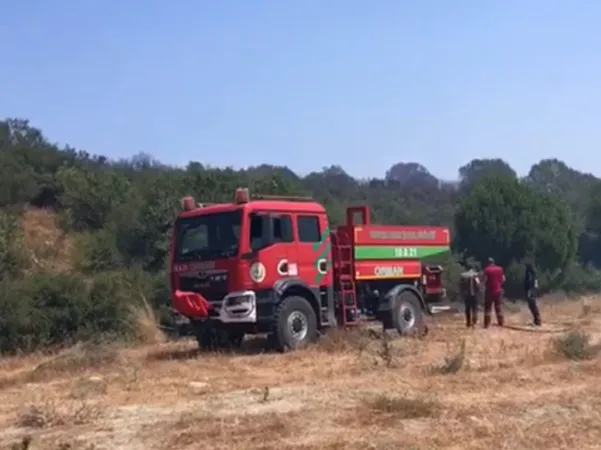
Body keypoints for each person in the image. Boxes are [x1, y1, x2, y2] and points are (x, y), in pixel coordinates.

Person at [482, 257, 505, 328]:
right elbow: (503, 279)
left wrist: (483, 285)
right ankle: (501, 322)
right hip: (498, 290)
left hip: (489, 291)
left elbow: (485, 280)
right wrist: (499, 284)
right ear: (493, 262)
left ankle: (486, 324)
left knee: (488, 308)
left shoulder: (487, 270)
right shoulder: (500, 269)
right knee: (498, 307)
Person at [459, 262, 481, 328]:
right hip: (474, 294)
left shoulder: (463, 275)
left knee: (468, 309)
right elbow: (478, 284)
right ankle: (474, 322)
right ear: (472, 268)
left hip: (467, 295)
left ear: (466, 268)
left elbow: (461, 285)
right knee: (474, 309)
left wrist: (462, 293)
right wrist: (478, 291)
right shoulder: (475, 275)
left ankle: (468, 323)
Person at [524, 262, 541, 326]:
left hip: (530, 291)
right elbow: (536, 285)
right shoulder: (534, 274)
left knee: (532, 306)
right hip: (534, 291)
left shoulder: (529, 274)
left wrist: (529, 292)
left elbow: (529, 284)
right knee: (533, 306)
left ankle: (537, 320)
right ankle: (537, 320)